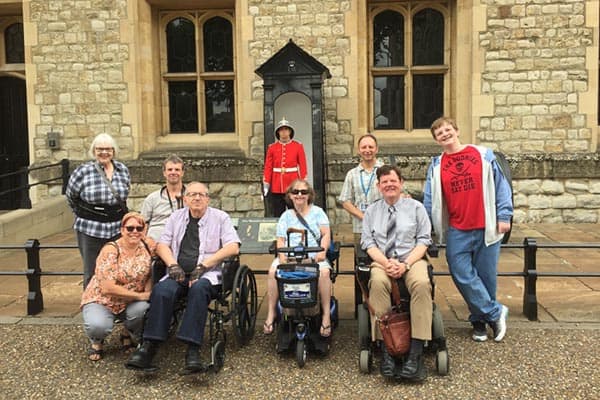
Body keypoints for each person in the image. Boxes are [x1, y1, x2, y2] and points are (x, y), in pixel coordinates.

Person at [126, 181, 240, 372]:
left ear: (208, 199)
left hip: (208, 274)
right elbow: (162, 244)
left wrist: (204, 266)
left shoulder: (220, 218)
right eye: (192, 195)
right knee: (162, 291)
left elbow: (233, 246)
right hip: (179, 272)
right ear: (185, 199)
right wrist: (172, 265)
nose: (196, 198)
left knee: (199, 289)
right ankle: (149, 347)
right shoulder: (175, 217)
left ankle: (193, 350)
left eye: (201, 195)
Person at [423, 116, 513, 343]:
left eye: (447, 129)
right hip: (457, 227)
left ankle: (480, 323)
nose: (445, 134)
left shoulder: (483, 155)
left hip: (486, 225)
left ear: (456, 129)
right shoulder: (436, 165)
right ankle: (495, 312)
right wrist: (426, 227)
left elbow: (502, 186)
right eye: (439, 133)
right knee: (460, 272)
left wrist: (504, 215)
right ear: (436, 139)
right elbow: (429, 199)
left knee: (485, 277)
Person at [361, 165, 433, 381]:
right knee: (377, 283)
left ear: (401, 183)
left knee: (421, 283)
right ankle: (387, 350)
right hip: (383, 260)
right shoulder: (372, 211)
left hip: (412, 259)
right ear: (379, 186)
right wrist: (386, 263)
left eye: (393, 181)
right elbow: (368, 242)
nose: (389, 185)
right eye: (385, 182)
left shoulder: (416, 208)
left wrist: (405, 265)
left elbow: (424, 240)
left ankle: (415, 353)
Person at [81, 212, 156, 361]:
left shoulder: (148, 246)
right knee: (98, 325)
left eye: (139, 228)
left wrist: (148, 290)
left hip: (131, 302)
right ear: (122, 230)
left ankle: (126, 332)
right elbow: (107, 288)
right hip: (103, 299)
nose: (135, 232)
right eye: (130, 228)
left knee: (144, 310)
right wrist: (141, 296)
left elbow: (151, 270)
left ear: (144, 230)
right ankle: (97, 341)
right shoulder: (111, 249)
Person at [263, 179, 332, 338]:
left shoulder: (318, 212)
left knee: (324, 273)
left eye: (303, 192)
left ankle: (326, 315)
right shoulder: (286, 216)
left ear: (309, 195)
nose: (299, 195)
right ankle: (271, 313)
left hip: (313, 256)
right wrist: (282, 255)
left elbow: (326, 234)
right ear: (290, 196)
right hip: (290, 255)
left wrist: (322, 252)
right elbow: (280, 239)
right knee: (273, 271)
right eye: (295, 192)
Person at [66, 133, 131, 289]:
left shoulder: (122, 170)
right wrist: (88, 214)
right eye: (100, 149)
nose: (104, 153)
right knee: (92, 270)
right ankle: (91, 305)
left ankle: (114, 304)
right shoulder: (83, 171)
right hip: (90, 228)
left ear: (113, 151)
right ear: (93, 151)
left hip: (116, 227)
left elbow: (125, 195)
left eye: (108, 149)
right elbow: (70, 196)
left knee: (116, 267)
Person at [338, 134, 383, 245]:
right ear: (359, 150)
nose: (367, 150)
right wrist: (364, 217)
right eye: (364, 147)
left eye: (371, 147)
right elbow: (345, 201)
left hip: (383, 225)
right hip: (360, 227)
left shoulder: (385, 170)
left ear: (376, 149)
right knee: (361, 259)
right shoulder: (352, 174)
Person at [263, 118, 308, 217]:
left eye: (286, 129)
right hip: (277, 184)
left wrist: (303, 182)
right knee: (278, 213)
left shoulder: (298, 146)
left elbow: (303, 165)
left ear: (290, 131)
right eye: (281, 130)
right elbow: (268, 166)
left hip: (293, 184)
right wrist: (266, 183)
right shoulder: (272, 147)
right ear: (278, 132)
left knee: (295, 212)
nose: (284, 132)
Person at [140, 155, 186, 240]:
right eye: (169, 169)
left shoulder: (192, 197)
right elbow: (142, 224)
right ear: (164, 173)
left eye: (177, 169)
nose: (173, 172)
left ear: (182, 173)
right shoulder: (152, 198)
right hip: (156, 242)